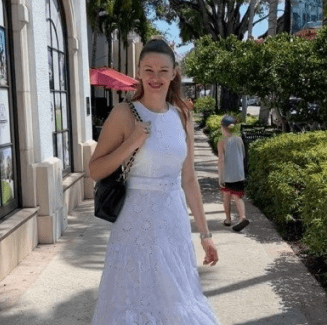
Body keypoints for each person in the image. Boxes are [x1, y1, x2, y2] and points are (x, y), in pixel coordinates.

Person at [88, 39, 220, 324]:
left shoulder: (182, 114)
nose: (155, 77)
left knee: (175, 300)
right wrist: (131, 143)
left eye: (163, 70)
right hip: (135, 224)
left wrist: (206, 234)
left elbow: (189, 178)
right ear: (138, 71)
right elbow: (95, 170)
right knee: (136, 301)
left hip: (173, 222)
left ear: (174, 73)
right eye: (148, 69)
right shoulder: (124, 114)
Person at [217, 115, 250, 232]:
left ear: (223, 127)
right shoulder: (239, 139)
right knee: (238, 197)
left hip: (227, 174)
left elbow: (221, 160)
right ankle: (242, 217)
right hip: (239, 173)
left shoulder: (221, 142)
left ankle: (228, 219)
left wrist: (220, 177)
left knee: (226, 197)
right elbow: (243, 155)